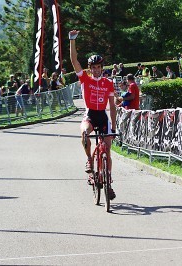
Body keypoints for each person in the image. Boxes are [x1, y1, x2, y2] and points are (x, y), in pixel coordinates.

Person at [69, 29, 117, 200]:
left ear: (102, 68)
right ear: (90, 69)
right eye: (93, 68)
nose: (96, 70)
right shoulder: (86, 79)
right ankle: (89, 159)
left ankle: (108, 181)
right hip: (90, 114)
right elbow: (74, 61)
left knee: (108, 151)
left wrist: (114, 125)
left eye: (99, 67)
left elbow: (112, 106)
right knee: (84, 133)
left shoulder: (108, 83)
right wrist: (72, 40)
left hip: (103, 116)